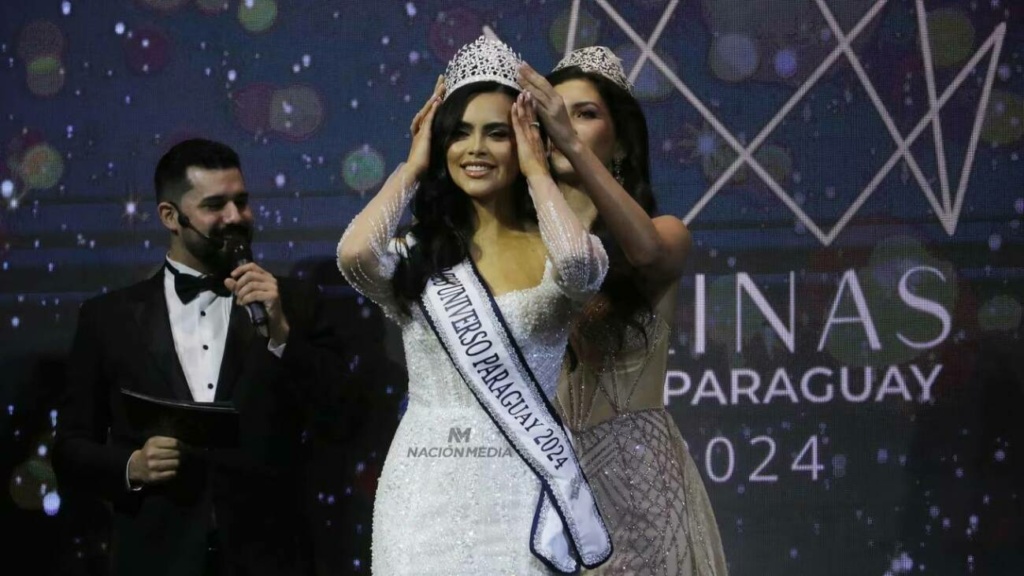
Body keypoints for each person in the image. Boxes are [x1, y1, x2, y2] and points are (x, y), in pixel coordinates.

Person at [337, 37, 612, 574]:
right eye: (459, 134)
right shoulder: (416, 255)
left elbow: (583, 267)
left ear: (524, 140)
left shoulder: (556, 248)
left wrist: (538, 172)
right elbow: (353, 255)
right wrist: (411, 166)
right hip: (422, 494)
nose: (476, 149)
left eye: (497, 133)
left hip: (524, 494)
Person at [53, 138, 349, 576]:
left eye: (242, 202)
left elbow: (340, 417)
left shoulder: (296, 302)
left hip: (271, 554)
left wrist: (282, 333)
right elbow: (71, 446)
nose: (235, 217)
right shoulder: (108, 318)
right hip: (158, 556)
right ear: (171, 217)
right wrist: (132, 466)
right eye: (216, 205)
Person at [518, 47, 730, 575]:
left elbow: (647, 255)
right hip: (541, 490)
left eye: (584, 114)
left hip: (641, 487)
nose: (564, 123)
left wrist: (568, 144)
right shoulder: (513, 254)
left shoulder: (665, 234)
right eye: (554, 114)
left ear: (621, 143)